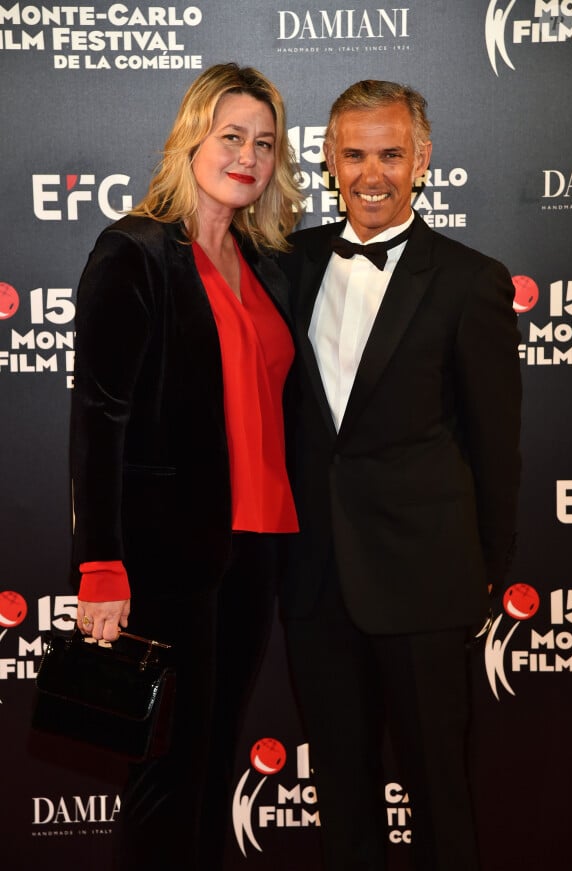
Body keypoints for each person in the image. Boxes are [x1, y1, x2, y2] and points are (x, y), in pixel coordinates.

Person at [280, 80, 521, 871]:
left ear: (422, 160)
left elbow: (496, 443)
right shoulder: (291, 263)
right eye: (354, 154)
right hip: (315, 578)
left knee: (438, 797)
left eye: (390, 153)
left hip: (425, 581)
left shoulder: (468, 279)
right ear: (328, 159)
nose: (371, 173)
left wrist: (483, 573)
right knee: (343, 799)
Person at [70, 62, 303, 870]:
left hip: (257, 550)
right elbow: (100, 416)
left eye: (264, 143)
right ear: (191, 139)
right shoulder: (133, 250)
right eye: (231, 136)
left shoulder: (267, 262)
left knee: (210, 765)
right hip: (167, 556)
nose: (247, 156)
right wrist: (100, 561)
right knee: (166, 775)